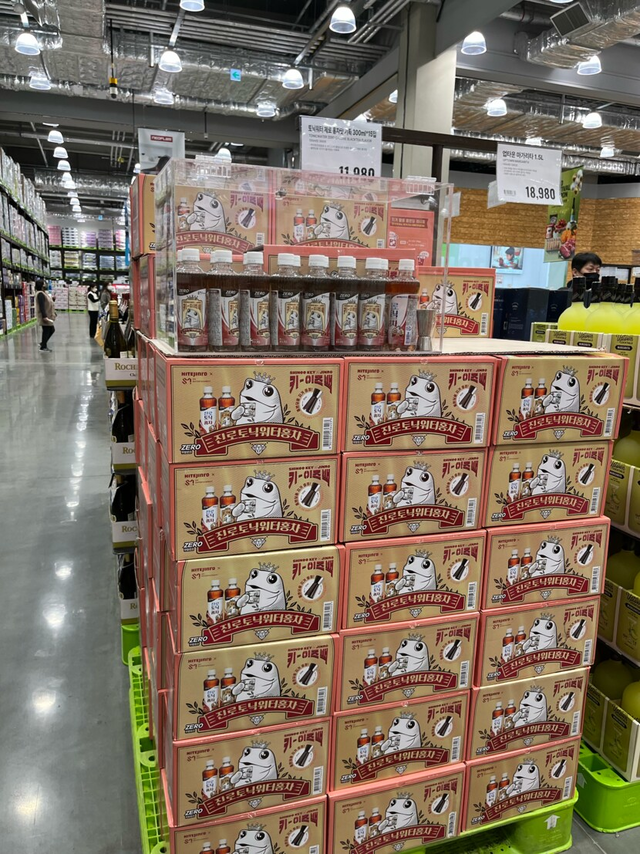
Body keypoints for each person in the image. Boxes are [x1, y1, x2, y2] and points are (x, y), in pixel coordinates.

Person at [35, 280, 56, 352]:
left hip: (48, 315)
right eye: (44, 284)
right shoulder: (40, 294)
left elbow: (47, 302)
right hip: (45, 316)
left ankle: (43, 343)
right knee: (47, 330)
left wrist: (52, 299)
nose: (46, 285)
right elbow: (42, 306)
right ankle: (43, 347)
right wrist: (44, 316)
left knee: (51, 330)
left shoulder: (44, 293)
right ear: (41, 286)